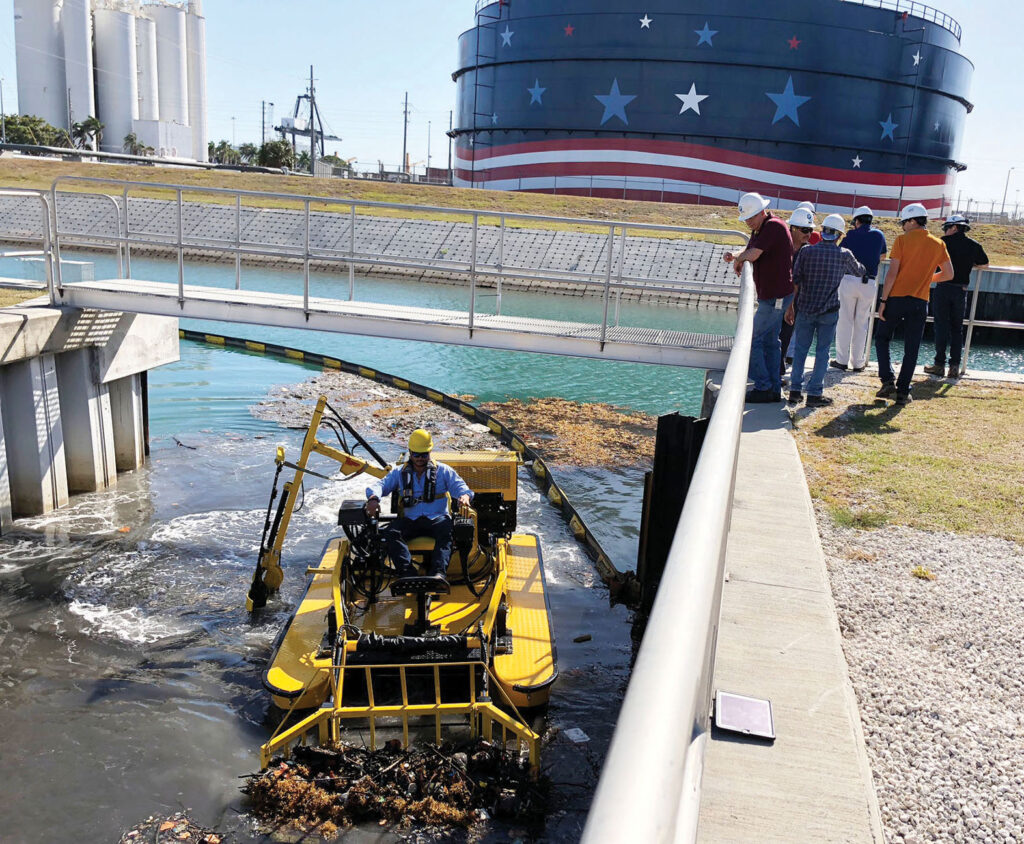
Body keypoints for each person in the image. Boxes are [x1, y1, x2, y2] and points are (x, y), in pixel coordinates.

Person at [365, 428, 473, 586]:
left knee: (447, 532)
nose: (420, 459)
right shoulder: (398, 473)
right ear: (410, 452)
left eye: (424, 455)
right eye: (416, 455)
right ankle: (407, 574)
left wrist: (465, 496)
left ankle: (438, 574)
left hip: (437, 518)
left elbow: (461, 487)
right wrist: (373, 498)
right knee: (391, 533)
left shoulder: (443, 471)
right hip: (411, 519)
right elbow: (380, 485)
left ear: (430, 452)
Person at [874, 203, 954, 406]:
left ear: (911, 221)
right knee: (912, 347)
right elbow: (949, 274)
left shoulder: (902, 241)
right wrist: (927, 279)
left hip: (896, 298)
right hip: (920, 300)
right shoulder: (939, 244)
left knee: (882, 337)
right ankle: (902, 392)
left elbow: (892, 273)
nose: (902, 227)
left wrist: (883, 301)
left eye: (904, 222)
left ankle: (887, 380)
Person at [785, 214, 865, 407]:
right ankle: (814, 394)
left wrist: (790, 307)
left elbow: (795, 281)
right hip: (829, 312)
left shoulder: (805, 252)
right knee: (822, 352)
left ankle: (795, 391)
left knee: (801, 351)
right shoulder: (844, 255)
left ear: (821, 233)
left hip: (804, 309)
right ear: (839, 236)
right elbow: (860, 271)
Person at [723, 192, 795, 403]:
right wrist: (736, 256)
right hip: (773, 295)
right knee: (771, 341)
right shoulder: (763, 228)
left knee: (751, 340)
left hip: (776, 296)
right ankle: (772, 387)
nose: (747, 222)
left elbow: (753, 254)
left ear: (762, 212)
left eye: (750, 217)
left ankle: (763, 386)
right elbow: (750, 250)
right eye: (746, 219)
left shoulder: (773, 226)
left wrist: (740, 259)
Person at [924, 214, 989, 378]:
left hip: (943, 288)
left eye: (946, 227)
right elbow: (985, 263)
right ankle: (954, 366)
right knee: (957, 329)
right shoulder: (973, 245)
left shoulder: (942, 243)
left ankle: (939, 364)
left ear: (953, 227)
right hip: (961, 290)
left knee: (941, 326)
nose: (945, 231)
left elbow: (930, 261)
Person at [832, 206, 888, 372]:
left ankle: (841, 360)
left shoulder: (850, 235)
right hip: (869, 282)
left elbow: (840, 253)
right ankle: (858, 363)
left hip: (849, 280)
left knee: (845, 321)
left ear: (857, 220)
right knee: (862, 323)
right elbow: (882, 256)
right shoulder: (879, 235)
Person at [778, 207, 816, 376]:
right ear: (792, 228)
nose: (809, 234)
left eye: (811, 230)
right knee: (770, 334)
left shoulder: (808, 252)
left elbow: (800, 281)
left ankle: (778, 370)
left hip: (795, 301)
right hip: (776, 296)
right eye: (805, 230)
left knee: (786, 336)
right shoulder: (781, 245)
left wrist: (791, 305)